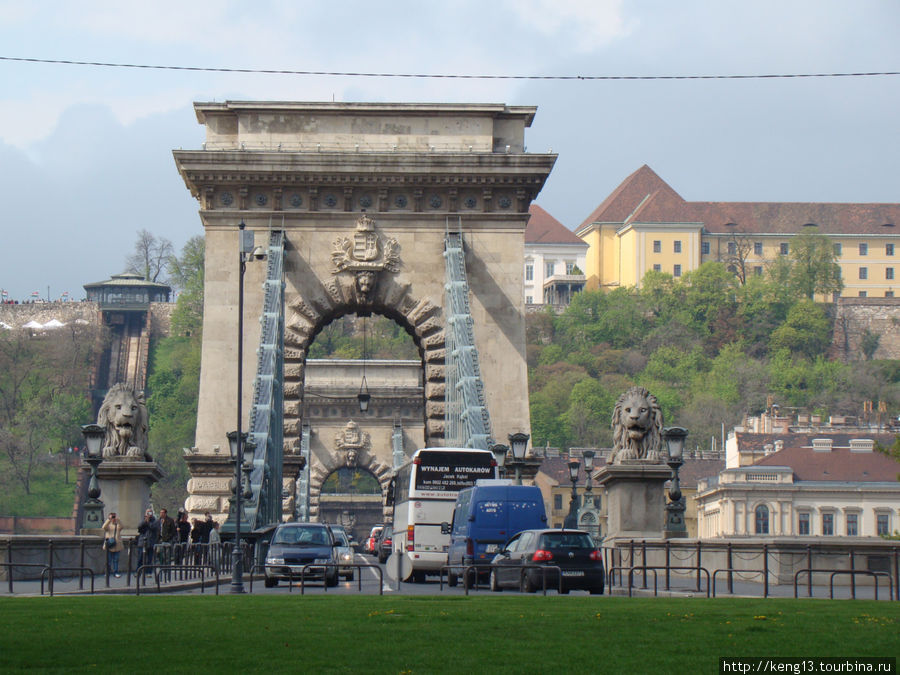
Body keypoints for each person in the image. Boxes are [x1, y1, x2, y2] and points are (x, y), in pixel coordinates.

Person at [101, 512, 123, 578]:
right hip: (109, 544)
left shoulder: (117, 524)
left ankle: (116, 572)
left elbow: (122, 527)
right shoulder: (108, 525)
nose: (113, 518)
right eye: (112, 517)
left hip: (117, 544)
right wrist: (108, 519)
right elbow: (103, 527)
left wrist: (118, 520)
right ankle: (107, 572)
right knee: (109, 560)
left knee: (116, 559)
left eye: (114, 517)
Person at [136, 508, 157, 574]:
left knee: (149, 559)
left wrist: (148, 522)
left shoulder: (154, 521)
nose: (149, 514)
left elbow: (153, 528)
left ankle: (148, 572)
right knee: (140, 558)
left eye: (150, 513)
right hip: (142, 542)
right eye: (148, 513)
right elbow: (139, 527)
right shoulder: (143, 520)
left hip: (150, 542)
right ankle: (138, 571)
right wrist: (145, 521)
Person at [157, 508, 176, 578]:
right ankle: (162, 566)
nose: (161, 514)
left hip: (167, 540)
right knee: (159, 553)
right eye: (160, 512)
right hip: (160, 540)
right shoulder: (158, 521)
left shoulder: (170, 520)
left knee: (167, 556)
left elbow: (173, 531)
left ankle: (166, 569)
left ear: (165, 513)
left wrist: (169, 537)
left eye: (162, 513)